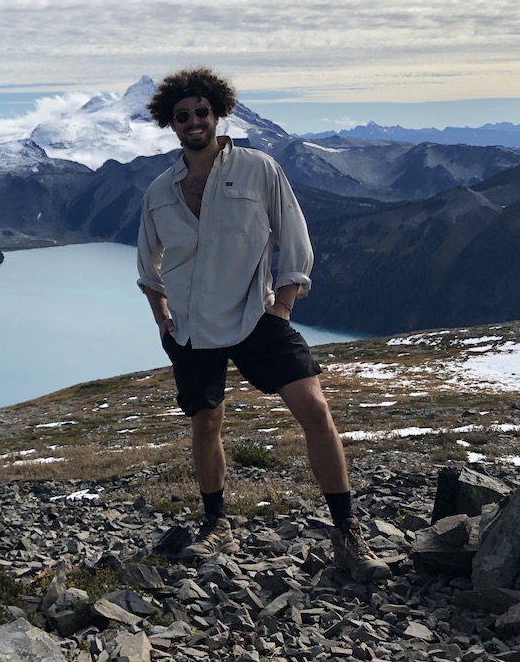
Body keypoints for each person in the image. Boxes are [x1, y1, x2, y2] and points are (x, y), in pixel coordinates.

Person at [135, 67, 389, 581]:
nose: (193, 122)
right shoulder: (159, 191)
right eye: (182, 115)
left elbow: (295, 240)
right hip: (191, 328)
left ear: (217, 113)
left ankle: (346, 533)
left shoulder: (259, 169)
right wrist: (163, 323)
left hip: (257, 316)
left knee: (315, 410)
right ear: (171, 123)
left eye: (201, 112)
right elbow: (148, 267)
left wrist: (284, 306)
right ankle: (216, 523)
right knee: (206, 424)